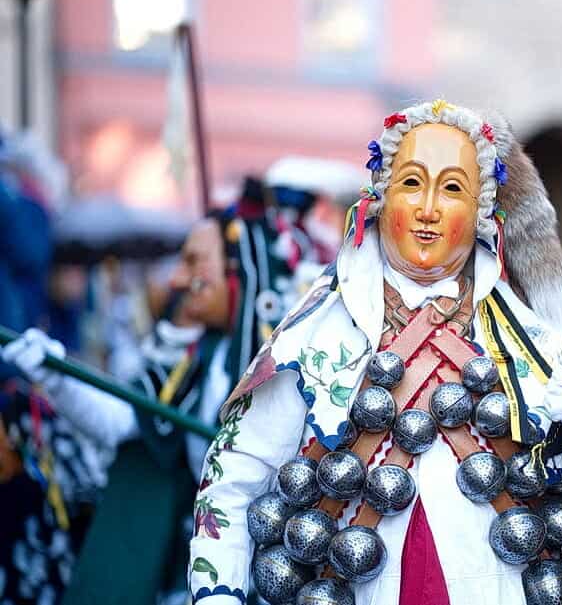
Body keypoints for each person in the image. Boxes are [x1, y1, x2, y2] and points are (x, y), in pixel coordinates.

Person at [188, 101, 562, 605]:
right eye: (412, 182)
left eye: (453, 188)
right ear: (380, 195)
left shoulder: (543, 340)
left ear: (483, 211)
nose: (429, 208)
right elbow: (231, 485)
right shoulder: (313, 336)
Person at [3, 174, 331, 605]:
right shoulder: (196, 355)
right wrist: (55, 374)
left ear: (243, 269)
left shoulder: (306, 360)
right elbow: (124, 423)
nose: (177, 279)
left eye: (194, 263)